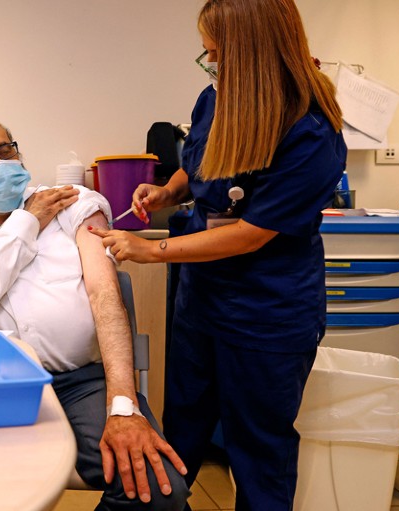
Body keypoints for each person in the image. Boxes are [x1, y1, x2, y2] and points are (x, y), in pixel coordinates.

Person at [90, 1, 347, 509]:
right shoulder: (217, 96)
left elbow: (252, 233)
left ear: (252, 53)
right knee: (182, 429)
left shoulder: (310, 130)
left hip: (266, 311)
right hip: (203, 300)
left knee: (258, 450)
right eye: (206, 51)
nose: (210, 62)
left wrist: (152, 250)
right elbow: (205, 160)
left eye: (217, 51)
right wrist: (168, 192)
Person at [0, 118, 190, 510]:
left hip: (82, 380)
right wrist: (27, 222)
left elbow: (105, 296)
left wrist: (123, 406)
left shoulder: (72, 201)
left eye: (5, 150)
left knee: (160, 490)